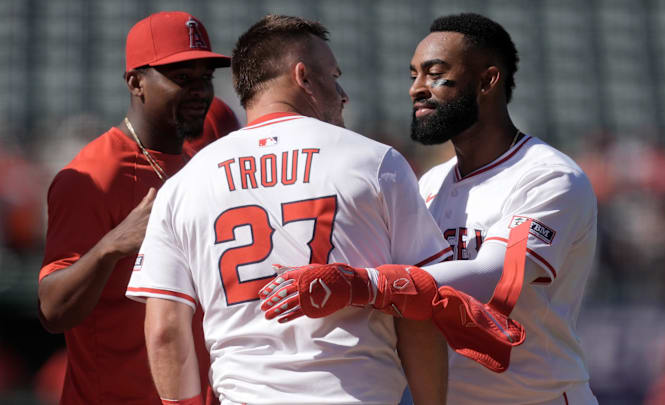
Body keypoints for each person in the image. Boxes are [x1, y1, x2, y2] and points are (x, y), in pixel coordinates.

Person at [261, 13, 598, 405]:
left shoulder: (549, 176)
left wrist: (360, 284)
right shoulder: (429, 183)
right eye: (412, 75)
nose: (416, 89)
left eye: (434, 73)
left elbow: (492, 277)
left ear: (488, 81)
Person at [125, 14, 455, 405]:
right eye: (333, 76)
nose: (342, 93)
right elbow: (419, 307)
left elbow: (165, 329)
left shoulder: (184, 184)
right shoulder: (376, 162)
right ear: (303, 76)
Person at [37, 11, 239, 404]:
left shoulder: (205, 146)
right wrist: (112, 244)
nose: (198, 90)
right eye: (181, 78)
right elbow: (52, 311)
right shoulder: (95, 175)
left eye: (205, 78)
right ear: (136, 83)